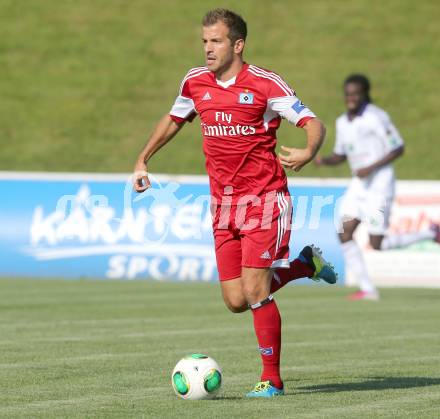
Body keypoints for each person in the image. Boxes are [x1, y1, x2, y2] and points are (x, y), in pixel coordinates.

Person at [133, 9, 337, 397]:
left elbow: (313, 122)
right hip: (223, 206)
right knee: (236, 300)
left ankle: (272, 379)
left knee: (257, 291)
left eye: (217, 41)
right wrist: (144, 158)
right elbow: (174, 119)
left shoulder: (264, 85)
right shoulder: (195, 82)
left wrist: (310, 150)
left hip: (265, 201)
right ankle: (305, 265)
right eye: (205, 42)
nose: (208, 49)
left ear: (237, 45)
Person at [315, 74, 440, 301]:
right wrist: (323, 160)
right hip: (359, 185)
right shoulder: (342, 122)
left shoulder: (377, 117)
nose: (351, 98)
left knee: (377, 243)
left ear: (364, 94)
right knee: (344, 232)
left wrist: (370, 167)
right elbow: (340, 154)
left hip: (380, 184)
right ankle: (368, 289)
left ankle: (430, 233)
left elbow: (398, 148)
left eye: (355, 93)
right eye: (348, 94)